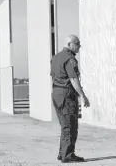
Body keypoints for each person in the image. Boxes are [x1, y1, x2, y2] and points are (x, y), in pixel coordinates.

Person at [50, 34, 90, 163]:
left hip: (56, 94)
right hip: (67, 95)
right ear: (69, 44)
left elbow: (54, 76)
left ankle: (62, 153)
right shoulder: (70, 59)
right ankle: (67, 155)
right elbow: (73, 79)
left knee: (64, 125)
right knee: (70, 126)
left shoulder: (55, 58)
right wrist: (83, 96)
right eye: (77, 44)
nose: (79, 46)